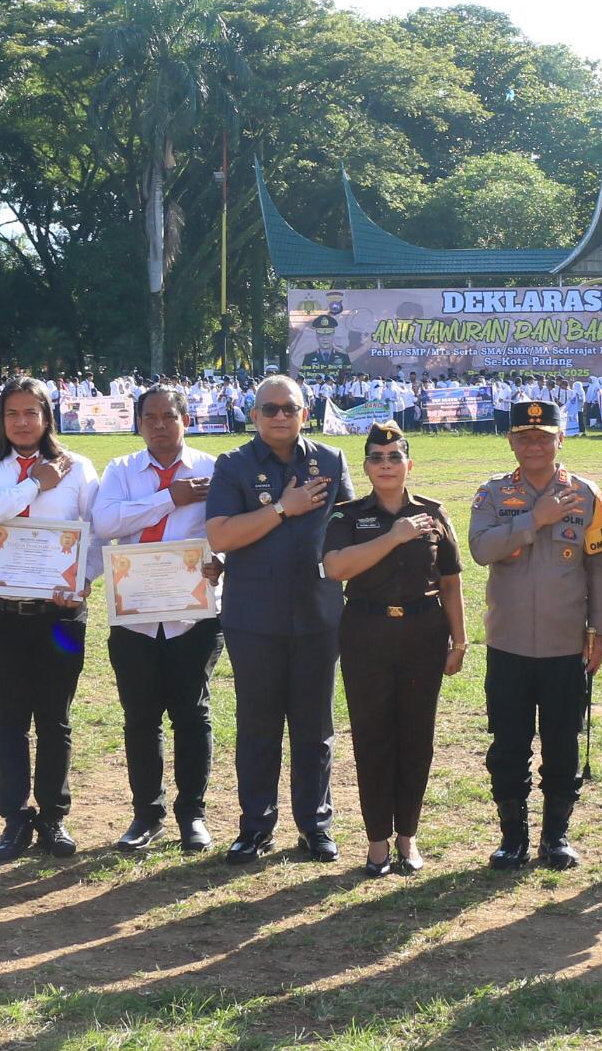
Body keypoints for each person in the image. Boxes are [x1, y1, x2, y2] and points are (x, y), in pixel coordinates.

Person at [204, 373, 352, 863]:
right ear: (254, 415)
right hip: (254, 617)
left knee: (314, 729)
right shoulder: (234, 465)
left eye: (289, 408)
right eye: (270, 409)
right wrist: (283, 510)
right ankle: (255, 827)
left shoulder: (330, 460)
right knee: (259, 727)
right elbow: (222, 536)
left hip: (318, 611)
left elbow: (350, 527)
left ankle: (315, 825)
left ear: (305, 413)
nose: (280, 416)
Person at [468, 398, 602, 870]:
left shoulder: (587, 494)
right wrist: (535, 519)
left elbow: (598, 566)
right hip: (508, 643)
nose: (534, 445)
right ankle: (513, 836)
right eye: (524, 437)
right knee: (508, 743)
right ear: (510, 440)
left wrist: (601, 631)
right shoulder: (491, 494)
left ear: (560, 439)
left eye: (543, 436)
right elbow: (480, 549)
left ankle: (556, 836)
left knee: (562, 742)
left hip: (564, 643)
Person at [322, 424, 465, 876]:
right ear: (365, 467)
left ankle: (408, 835)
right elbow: (335, 568)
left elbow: (450, 582)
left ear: (409, 464)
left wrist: (459, 640)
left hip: (424, 633)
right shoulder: (347, 516)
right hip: (367, 632)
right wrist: (393, 537)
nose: (386, 465)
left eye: (394, 456)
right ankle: (377, 841)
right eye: (377, 457)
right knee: (372, 737)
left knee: (416, 736)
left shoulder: (435, 513)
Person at [0, 376, 99, 860]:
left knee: (55, 720)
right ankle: (14, 819)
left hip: (60, 617)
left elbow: (96, 534)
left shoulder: (80, 468)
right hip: (3, 618)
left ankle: (53, 818)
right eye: (12, 414)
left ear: (47, 417)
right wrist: (34, 483)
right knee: (10, 722)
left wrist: (85, 581)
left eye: (31, 413)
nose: (22, 422)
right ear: (1, 420)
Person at [89, 384, 223, 854]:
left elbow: (225, 530)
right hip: (136, 618)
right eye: (151, 417)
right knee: (140, 717)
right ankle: (147, 815)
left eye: (170, 416)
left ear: (186, 420)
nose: (160, 425)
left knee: (192, 714)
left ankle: (193, 815)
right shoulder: (121, 470)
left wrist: (221, 559)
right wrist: (172, 497)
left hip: (194, 617)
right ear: (138, 422)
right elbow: (106, 524)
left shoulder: (213, 468)